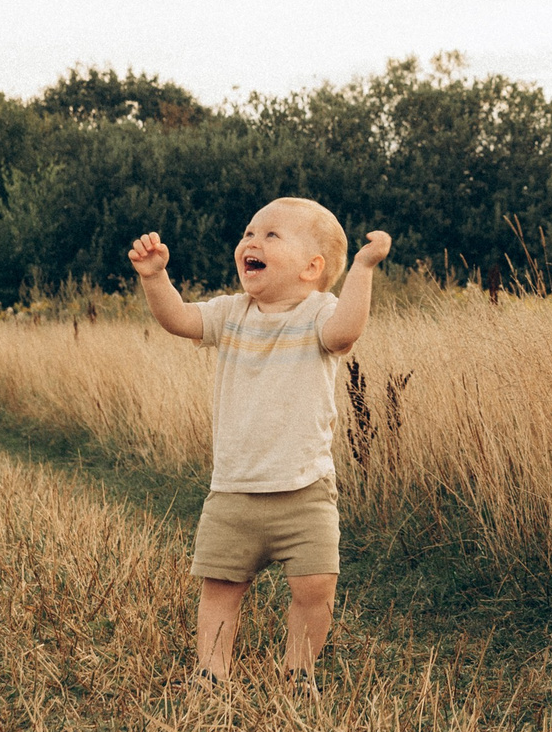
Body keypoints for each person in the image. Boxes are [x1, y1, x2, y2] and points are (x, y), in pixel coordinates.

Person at [127, 201, 393, 684]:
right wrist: (154, 278)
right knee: (220, 587)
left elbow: (345, 333)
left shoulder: (320, 312)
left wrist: (362, 268)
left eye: (271, 236)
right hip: (234, 490)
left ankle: (299, 671)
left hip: (305, 490)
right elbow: (179, 319)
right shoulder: (230, 313)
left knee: (315, 587)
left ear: (312, 269)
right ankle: (212, 671)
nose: (252, 242)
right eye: (249, 232)